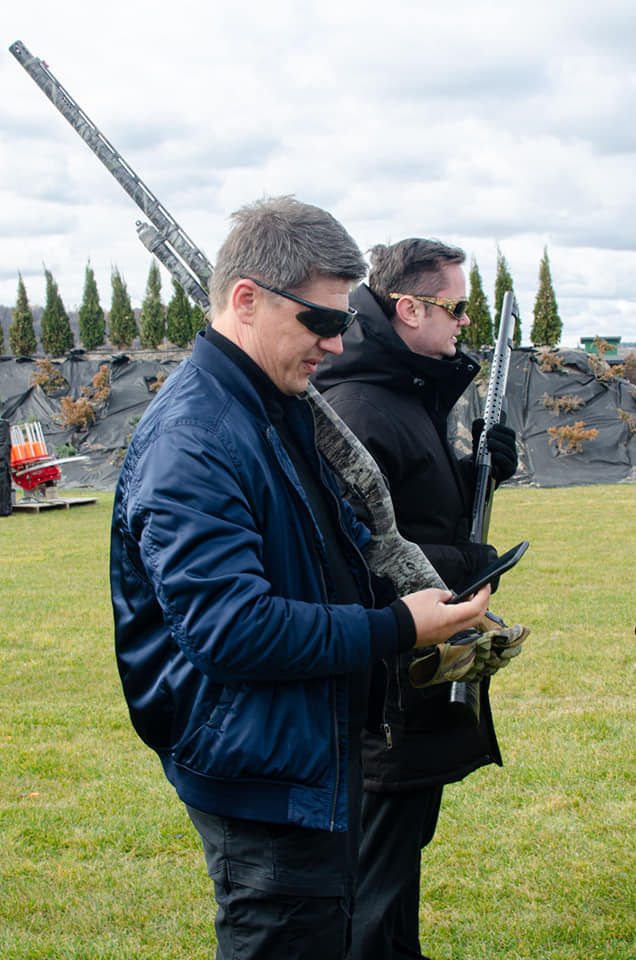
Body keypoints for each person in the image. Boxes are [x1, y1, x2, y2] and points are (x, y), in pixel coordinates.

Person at [109, 202, 491, 960]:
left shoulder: (269, 404)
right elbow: (234, 631)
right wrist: (399, 627)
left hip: (298, 750)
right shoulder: (197, 438)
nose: (339, 342)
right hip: (262, 773)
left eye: (344, 319)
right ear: (246, 300)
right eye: (320, 321)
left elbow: (335, 545)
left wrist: (417, 599)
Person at [313, 237, 518, 960]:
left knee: (401, 853)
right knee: (378, 870)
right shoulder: (357, 406)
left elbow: (417, 505)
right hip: (386, 684)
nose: (465, 322)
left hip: (419, 661)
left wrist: (476, 469)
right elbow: (356, 552)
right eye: (456, 307)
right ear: (408, 309)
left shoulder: (405, 390)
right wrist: (468, 561)